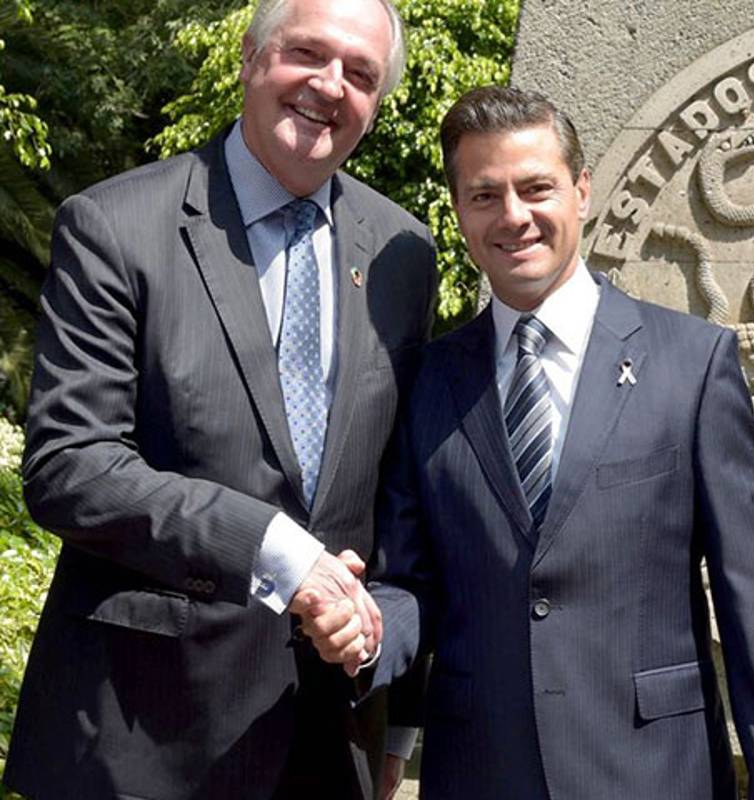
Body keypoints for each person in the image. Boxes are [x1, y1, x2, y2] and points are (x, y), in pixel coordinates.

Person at [300, 85, 754, 799]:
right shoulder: (427, 380)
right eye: (485, 196)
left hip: (654, 772)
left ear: (580, 191)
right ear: (458, 211)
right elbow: (412, 585)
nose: (513, 216)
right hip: (481, 771)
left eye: (536, 188)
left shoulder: (693, 365)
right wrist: (365, 631)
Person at [2, 0, 437, 797]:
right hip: (141, 741)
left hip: (324, 742)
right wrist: (276, 550)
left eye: (361, 74)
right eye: (307, 53)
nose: (330, 85)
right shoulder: (116, 225)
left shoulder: (405, 254)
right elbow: (71, 465)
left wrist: (395, 711)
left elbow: (403, 497)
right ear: (249, 58)